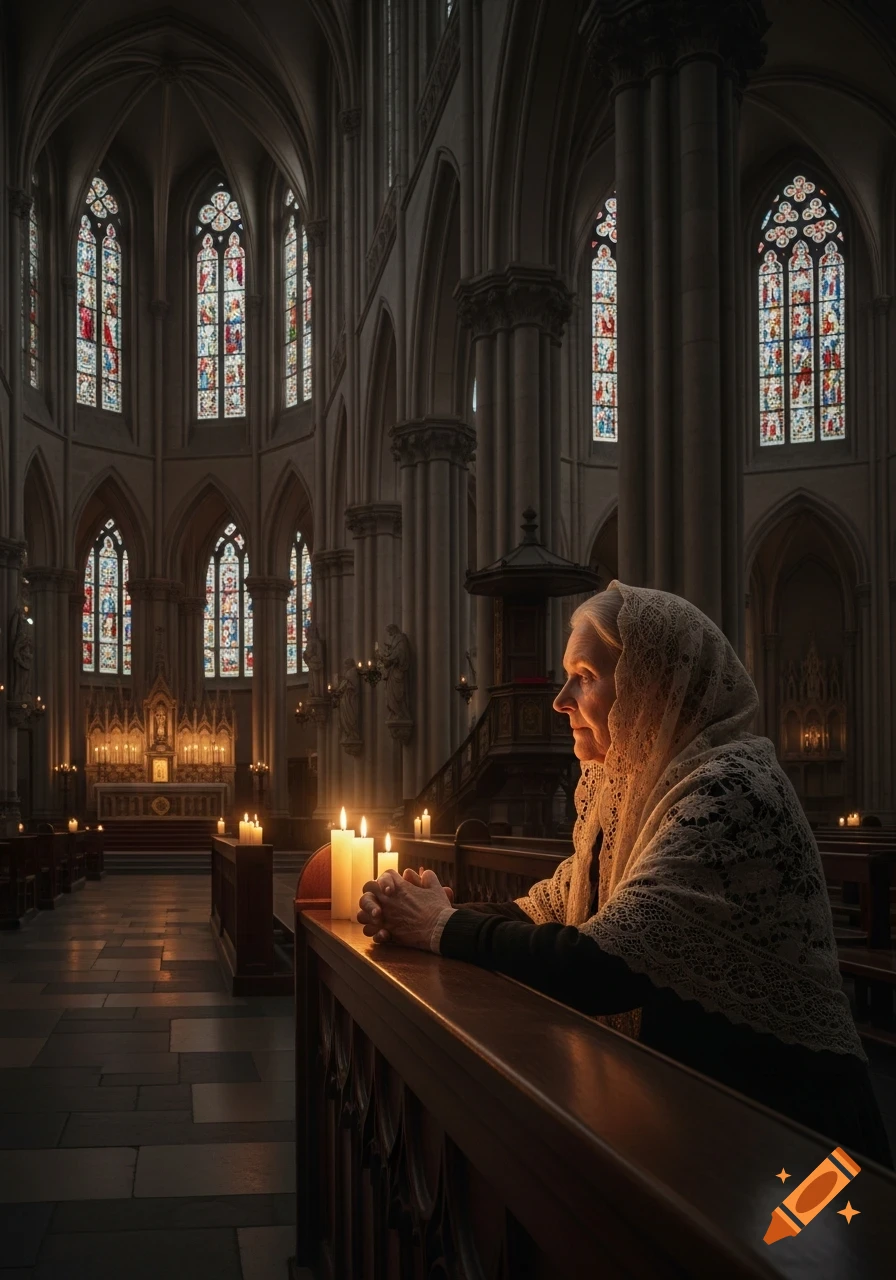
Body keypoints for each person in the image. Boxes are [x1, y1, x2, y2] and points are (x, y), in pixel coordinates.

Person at [358, 582, 894, 1169]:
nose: (559, 699)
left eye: (584, 675)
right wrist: (427, 912)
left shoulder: (732, 789)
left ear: (652, 688)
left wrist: (440, 926)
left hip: (805, 1155)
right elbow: (553, 906)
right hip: (709, 1126)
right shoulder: (629, 788)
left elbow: (602, 965)